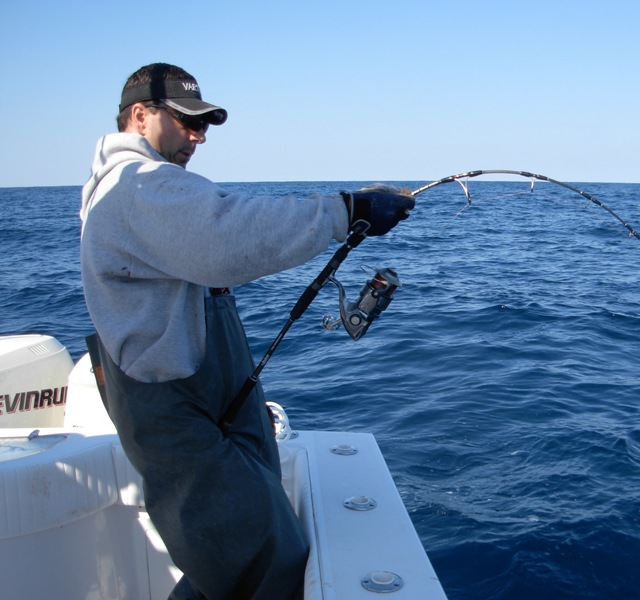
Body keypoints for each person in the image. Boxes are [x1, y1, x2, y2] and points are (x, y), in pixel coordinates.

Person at [79, 63, 415, 600]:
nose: (199, 135)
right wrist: (345, 210)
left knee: (229, 563)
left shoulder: (141, 187)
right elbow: (223, 238)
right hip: (179, 419)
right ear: (139, 116)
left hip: (212, 402)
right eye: (186, 121)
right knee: (267, 568)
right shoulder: (135, 185)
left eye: (205, 124)